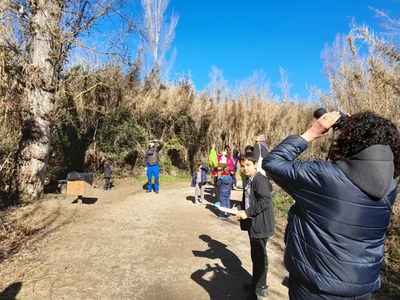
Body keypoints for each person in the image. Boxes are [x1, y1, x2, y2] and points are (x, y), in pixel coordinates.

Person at [263, 111, 400, 300]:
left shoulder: (324, 177)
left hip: (317, 289)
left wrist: (311, 133)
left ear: (349, 139)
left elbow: (271, 163)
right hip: (361, 289)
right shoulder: (391, 185)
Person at [235, 152, 275, 300]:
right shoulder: (249, 180)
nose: (245, 168)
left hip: (261, 225)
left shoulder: (260, 180)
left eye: (248, 165)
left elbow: (265, 201)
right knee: (255, 256)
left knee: (260, 257)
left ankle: (260, 288)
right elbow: (248, 200)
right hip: (253, 223)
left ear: (255, 164)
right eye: (242, 166)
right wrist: (239, 209)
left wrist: (247, 212)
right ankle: (255, 283)